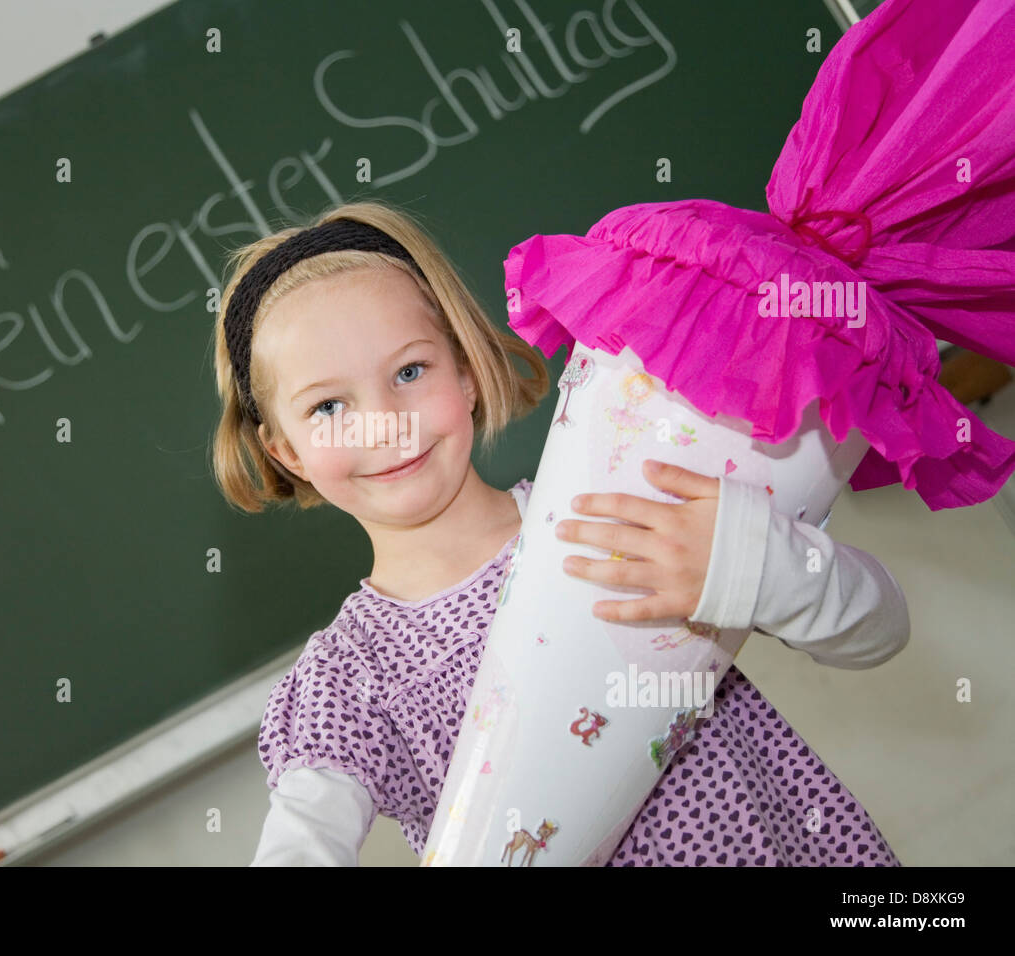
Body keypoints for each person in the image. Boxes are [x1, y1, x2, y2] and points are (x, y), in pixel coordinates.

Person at [208, 201, 909, 866]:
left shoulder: (616, 507)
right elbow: (304, 839)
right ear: (286, 451)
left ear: (467, 369)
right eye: (329, 405)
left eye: (410, 371)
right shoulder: (350, 676)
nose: (386, 422)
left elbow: (880, 630)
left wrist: (755, 565)